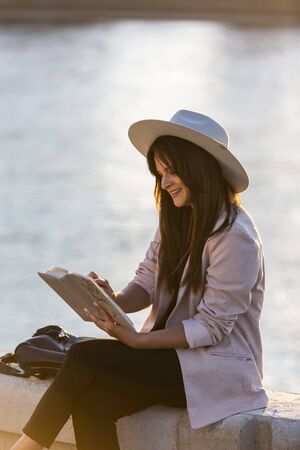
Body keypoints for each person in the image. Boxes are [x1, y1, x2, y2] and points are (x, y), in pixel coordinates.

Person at [11, 110, 269, 450]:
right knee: (93, 404)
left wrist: (139, 342)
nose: (165, 182)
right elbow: (147, 282)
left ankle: (24, 447)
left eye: (172, 171)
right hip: (173, 360)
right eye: (160, 173)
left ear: (199, 168)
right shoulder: (176, 220)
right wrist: (111, 299)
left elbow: (211, 328)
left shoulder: (235, 236)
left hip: (217, 373)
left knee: (83, 357)